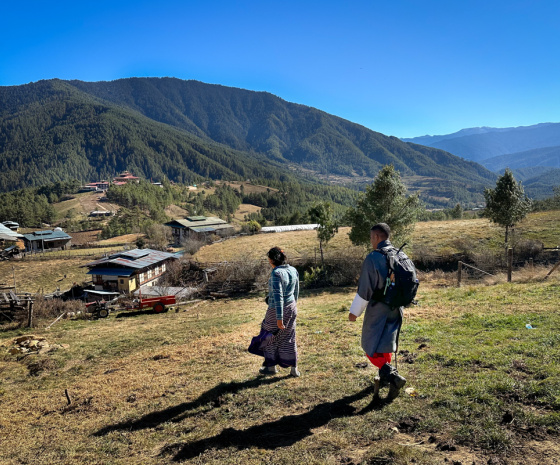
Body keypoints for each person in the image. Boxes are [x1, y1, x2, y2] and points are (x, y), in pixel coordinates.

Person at [348, 223, 407, 399]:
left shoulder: (373, 258)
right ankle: (386, 377)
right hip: (397, 307)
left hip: (378, 309)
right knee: (386, 344)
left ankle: (393, 376)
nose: (371, 241)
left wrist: (354, 313)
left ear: (376, 237)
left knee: (370, 346)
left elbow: (365, 289)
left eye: (371, 237)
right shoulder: (400, 254)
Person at [258, 247, 301, 377]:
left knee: (268, 336)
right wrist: (292, 307)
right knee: (289, 336)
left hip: (276, 310)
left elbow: (278, 296)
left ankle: (271, 367)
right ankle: (294, 369)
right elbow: (296, 292)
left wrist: (279, 317)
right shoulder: (293, 270)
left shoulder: (276, 273)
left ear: (271, 260)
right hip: (292, 307)